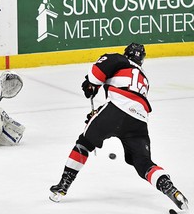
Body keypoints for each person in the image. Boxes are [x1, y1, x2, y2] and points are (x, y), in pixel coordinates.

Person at [49, 43, 189, 211]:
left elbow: (96, 74)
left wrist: (91, 84)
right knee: (143, 163)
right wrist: (100, 110)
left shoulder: (119, 59)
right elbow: (129, 99)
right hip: (139, 119)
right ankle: (170, 189)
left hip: (116, 110)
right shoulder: (144, 78)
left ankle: (63, 187)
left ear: (127, 53)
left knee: (84, 143)